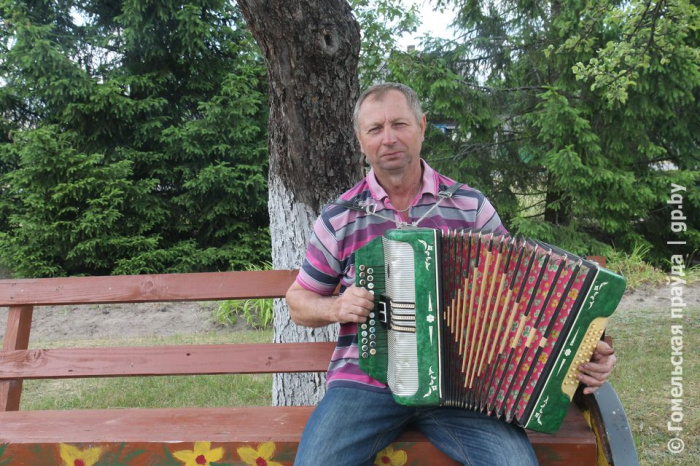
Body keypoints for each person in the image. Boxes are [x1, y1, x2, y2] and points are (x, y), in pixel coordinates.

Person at [286, 82, 616, 466]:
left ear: (422, 126)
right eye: (375, 129)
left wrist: (586, 351)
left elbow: (525, 295)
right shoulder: (340, 216)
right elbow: (299, 302)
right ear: (361, 140)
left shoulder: (470, 207)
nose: (388, 138)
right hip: (366, 385)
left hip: (463, 387)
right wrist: (337, 306)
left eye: (400, 124)